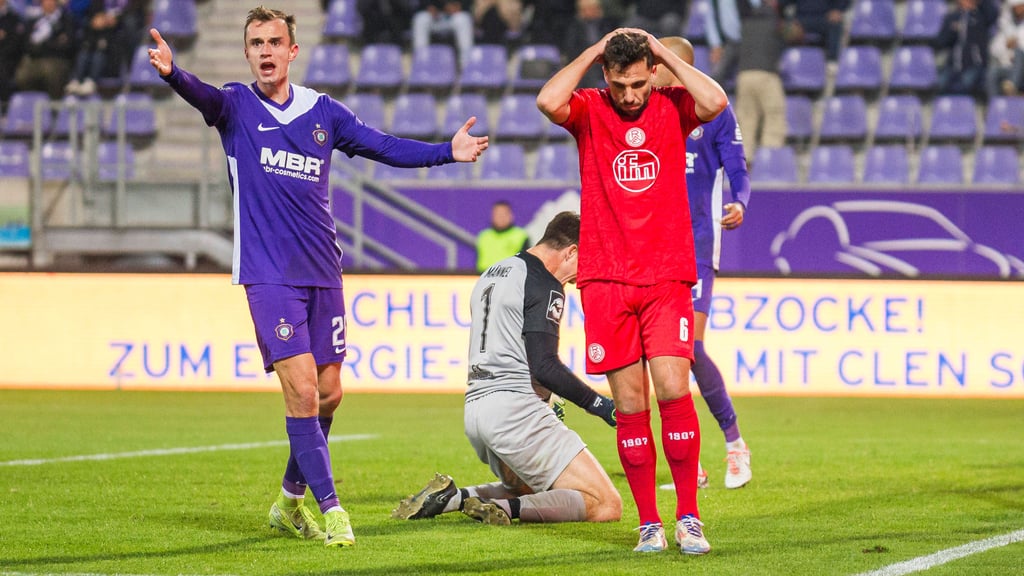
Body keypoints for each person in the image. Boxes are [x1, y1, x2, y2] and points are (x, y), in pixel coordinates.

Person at [147, 6, 488, 548]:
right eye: (256, 43)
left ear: (292, 51)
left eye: (274, 42)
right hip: (268, 275)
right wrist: (173, 74)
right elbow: (202, 95)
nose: (265, 51)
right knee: (303, 391)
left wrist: (446, 152)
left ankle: (288, 503)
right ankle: (333, 512)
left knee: (329, 394)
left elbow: (383, 146)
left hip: (324, 271)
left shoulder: (323, 112)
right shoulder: (235, 106)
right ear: (246, 52)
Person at [537, 29, 728, 554]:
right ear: (606, 74)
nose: (629, 95)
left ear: (652, 73)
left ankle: (688, 517)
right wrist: (592, 50)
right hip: (605, 279)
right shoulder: (589, 108)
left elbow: (716, 101)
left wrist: (662, 53)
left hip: (666, 275)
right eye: (620, 84)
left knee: (672, 388)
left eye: (639, 84)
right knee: (629, 402)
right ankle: (650, 523)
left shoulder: (673, 106)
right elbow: (547, 100)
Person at [393, 212, 622, 526]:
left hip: (476, 410)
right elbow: (544, 366)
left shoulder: (493, 272)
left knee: (529, 487)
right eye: (586, 263)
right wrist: (602, 406)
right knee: (606, 504)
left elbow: (512, 348)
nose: (580, 278)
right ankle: (502, 509)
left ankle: (454, 497)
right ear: (571, 252)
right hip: (514, 413)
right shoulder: (545, 283)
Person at [653, 36, 752, 491]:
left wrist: (741, 202)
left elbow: (738, 168)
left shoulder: (711, 110)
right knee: (661, 357)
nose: (649, 71)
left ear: (676, 66)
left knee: (689, 347)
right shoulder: (646, 108)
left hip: (695, 245)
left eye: (656, 63)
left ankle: (735, 444)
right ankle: (690, 466)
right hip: (652, 249)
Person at [735, 0, 788, 166]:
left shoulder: (746, 23)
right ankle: (770, 160)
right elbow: (794, 34)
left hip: (744, 75)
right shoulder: (776, 22)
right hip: (767, 74)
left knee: (746, 119)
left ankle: (745, 162)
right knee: (774, 115)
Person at [933, 0, 999, 97]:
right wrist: (952, 31)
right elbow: (941, 42)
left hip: (974, 64)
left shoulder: (981, 16)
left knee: (964, 84)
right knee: (940, 83)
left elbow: (993, 14)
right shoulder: (952, 17)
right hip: (953, 65)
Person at [14, 0, 75, 100]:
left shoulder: (66, 20)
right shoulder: (33, 20)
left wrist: (42, 45)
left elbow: (68, 45)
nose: (48, 4)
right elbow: (26, 44)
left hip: (57, 60)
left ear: (56, 3)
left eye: (51, 1)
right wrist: (53, 43)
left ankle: (54, 105)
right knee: (22, 75)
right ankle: (32, 102)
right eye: (45, 1)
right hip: (34, 58)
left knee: (51, 72)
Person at [411, 1, 474, 68]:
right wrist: (430, 7)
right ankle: (422, 63)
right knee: (421, 18)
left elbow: (466, 5)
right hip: (433, 18)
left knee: (463, 18)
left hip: (453, 18)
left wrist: (456, 6)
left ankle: (467, 65)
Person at [475, 200, 529, 273]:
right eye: (497, 214)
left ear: (511, 215)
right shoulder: (483, 236)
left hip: (511, 276)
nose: (500, 217)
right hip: (484, 276)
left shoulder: (521, 236)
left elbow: (526, 263)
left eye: (504, 214)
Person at [988, 0, 1024, 98]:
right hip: (1009, 66)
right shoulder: (1007, 27)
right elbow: (994, 50)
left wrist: (1018, 46)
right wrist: (1007, 47)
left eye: (1020, 7)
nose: (1018, 10)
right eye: (1015, 8)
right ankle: (995, 102)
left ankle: (1012, 86)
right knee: (993, 72)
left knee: (1019, 53)